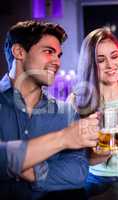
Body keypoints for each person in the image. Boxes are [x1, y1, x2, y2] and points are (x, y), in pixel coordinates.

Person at [0, 20, 100, 199]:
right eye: (48, 52)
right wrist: (64, 138)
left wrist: (30, 171)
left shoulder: (66, 112)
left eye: (59, 55)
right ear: (19, 51)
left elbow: (78, 171)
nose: (57, 62)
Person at [68, 28, 118, 195]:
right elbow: (76, 157)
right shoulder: (76, 100)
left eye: (114, 56)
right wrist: (110, 142)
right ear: (90, 64)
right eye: (101, 60)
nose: (110, 65)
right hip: (94, 181)